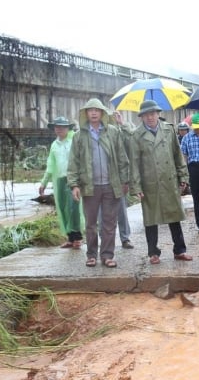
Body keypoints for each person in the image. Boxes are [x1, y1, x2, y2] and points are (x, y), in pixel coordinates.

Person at [67, 98, 133, 268]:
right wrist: (74, 185)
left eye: (97, 110)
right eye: (91, 110)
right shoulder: (79, 136)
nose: (94, 113)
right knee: (90, 224)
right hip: (89, 187)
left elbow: (122, 158)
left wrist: (125, 181)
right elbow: (73, 162)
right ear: (86, 114)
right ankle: (91, 255)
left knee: (109, 223)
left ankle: (107, 255)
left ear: (102, 113)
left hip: (111, 186)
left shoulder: (112, 132)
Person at [129, 100, 193, 264]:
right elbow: (134, 163)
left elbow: (177, 155)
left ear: (158, 114)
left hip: (169, 180)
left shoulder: (169, 129)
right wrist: (136, 186)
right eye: (146, 115)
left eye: (152, 113)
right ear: (141, 117)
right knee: (151, 219)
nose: (150, 117)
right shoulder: (137, 135)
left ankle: (180, 250)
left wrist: (183, 176)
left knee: (174, 216)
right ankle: (153, 253)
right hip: (149, 183)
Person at [38, 116, 83, 248]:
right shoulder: (54, 145)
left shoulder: (75, 139)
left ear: (68, 128)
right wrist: (44, 183)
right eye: (57, 127)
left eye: (62, 127)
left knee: (74, 207)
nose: (59, 129)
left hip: (73, 178)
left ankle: (78, 238)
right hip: (60, 180)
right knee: (63, 208)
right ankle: (70, 238)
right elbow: (50, 166)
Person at [111, 109, 135, 249]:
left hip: (119, 177)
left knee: (121, 210)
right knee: (104, 213)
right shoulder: (103, 132)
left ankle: (125, 238)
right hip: (103, 178)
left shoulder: (120, 131)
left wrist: (122, 124)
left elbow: (130, 141)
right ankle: (107, 240)